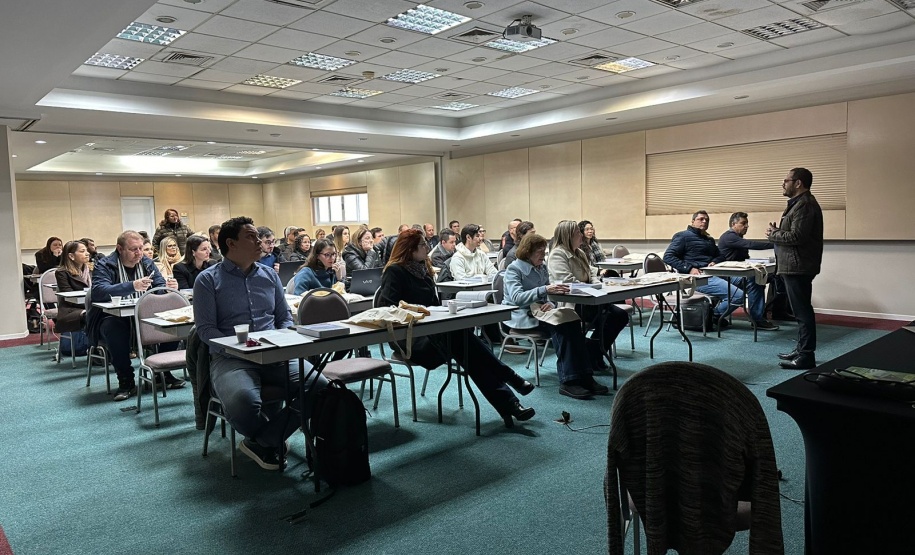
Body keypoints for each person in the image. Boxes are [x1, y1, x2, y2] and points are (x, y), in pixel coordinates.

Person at [194, 216, 327, 471]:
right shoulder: (208, 280)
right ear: (231, 243)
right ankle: (270, 437)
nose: (260, 241)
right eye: (251, 237)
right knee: (244, 403)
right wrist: (237, 347)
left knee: (321, 388)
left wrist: (287, 337)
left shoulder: (268, 274)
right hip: (232, 359)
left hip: (276, 353)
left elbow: (283, 317)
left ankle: (265, 440)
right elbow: (206, 330)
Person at [378, 229, 535, 427]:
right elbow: (389, 309)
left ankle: (511, 405)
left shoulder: (423, 270)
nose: (427, 248)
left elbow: (433, 305)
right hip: (410, 341)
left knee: (465, 348)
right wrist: (421, 314)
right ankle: (509, 381)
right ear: (409, 249)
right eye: (422, 245)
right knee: (462, 341)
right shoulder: (395, 271)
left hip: (436, 334)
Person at [504, 233, 610, 399]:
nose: (543, 255)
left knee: (573, 322)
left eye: (544, 251)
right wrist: (544, 291)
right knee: (563, 327)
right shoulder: (514, 269)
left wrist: (551, 303)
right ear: (527, 252)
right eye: (539, 252)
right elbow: (517, 298)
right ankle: (569, 381)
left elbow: (549, 296)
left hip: (541, 311)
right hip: (522, 314)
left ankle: (585, 376)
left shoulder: (542, 267)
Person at [86, 231, 182, 401]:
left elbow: (158, 285)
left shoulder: (146, 262)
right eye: (133, 249)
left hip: (142, 315)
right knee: (114, 328)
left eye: (140, 248)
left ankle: (163, 373)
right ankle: (126, 380)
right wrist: (132, 286)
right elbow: (99, 292)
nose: (139, 253)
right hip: (112, 317)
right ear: (119, 249)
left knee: (172, 324)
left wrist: (167, 287)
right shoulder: (105, 264)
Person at [547, 220, 629, 370]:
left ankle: (593, 352)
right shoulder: (557, 255)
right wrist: (592, 287)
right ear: (568, 235)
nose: (581, 235)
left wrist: (596, 284)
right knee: (608, 317)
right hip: (572, 303)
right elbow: (567, 282)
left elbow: (591, 273)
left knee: (619, 316)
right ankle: (593, 353)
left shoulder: (580, 252)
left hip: (590, 299)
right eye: (578, 233)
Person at [768, 167, 823, 370]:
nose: (783, 184)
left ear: (798, 183)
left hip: (798, 266)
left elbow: (796, 237)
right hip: (794, 265)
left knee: (802, 313)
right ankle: (801, 350)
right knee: (801, 311)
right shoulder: (798, 204)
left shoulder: (805, 205)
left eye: (786, 180)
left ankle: (806, 355)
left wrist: (774, 234)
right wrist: (779, 232)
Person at [663, 211, 745, 328]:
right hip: (697, 277)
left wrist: (715, 261)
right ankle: (714, 315)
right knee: (738, 296)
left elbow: (721, 255)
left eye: (707, 220)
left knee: (749, 281)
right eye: (701, 219)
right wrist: (690, 269)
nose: (705, 221)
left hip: (713, 273)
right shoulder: (682, 236)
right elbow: (668, 257)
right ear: (692, 221)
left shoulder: (708, 239)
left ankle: (757, 318)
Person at [718, 212, 779, 331]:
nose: (746, 226)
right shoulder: (729, 236)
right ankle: (757, 320)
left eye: (747, 224)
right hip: (726, 274)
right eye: (743, 223)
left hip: (736, 272)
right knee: (755, 281)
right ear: (733, 224)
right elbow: (751, 244)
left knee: (771, 277)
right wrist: (775, 243)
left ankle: (771, 311)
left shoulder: (738, 238)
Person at [54, 240, 91, 334]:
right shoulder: (62, 272)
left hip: (91, 304)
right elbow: (69, 297)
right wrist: (91, 305)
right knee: (92, 315)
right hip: (71, 310)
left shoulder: (92, 270)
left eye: (86, 251)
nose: (87, 254)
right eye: (82, 251)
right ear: (71, 256)